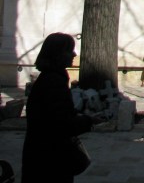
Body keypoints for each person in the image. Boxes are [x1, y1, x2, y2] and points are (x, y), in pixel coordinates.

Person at [21, 33, 94, 183]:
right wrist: (88, 121)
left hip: (45, 157)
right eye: (69, 50)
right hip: (49, 160)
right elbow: (60, 124)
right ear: (57, 54)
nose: (74, 54)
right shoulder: (53, 82)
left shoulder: (52, 78)